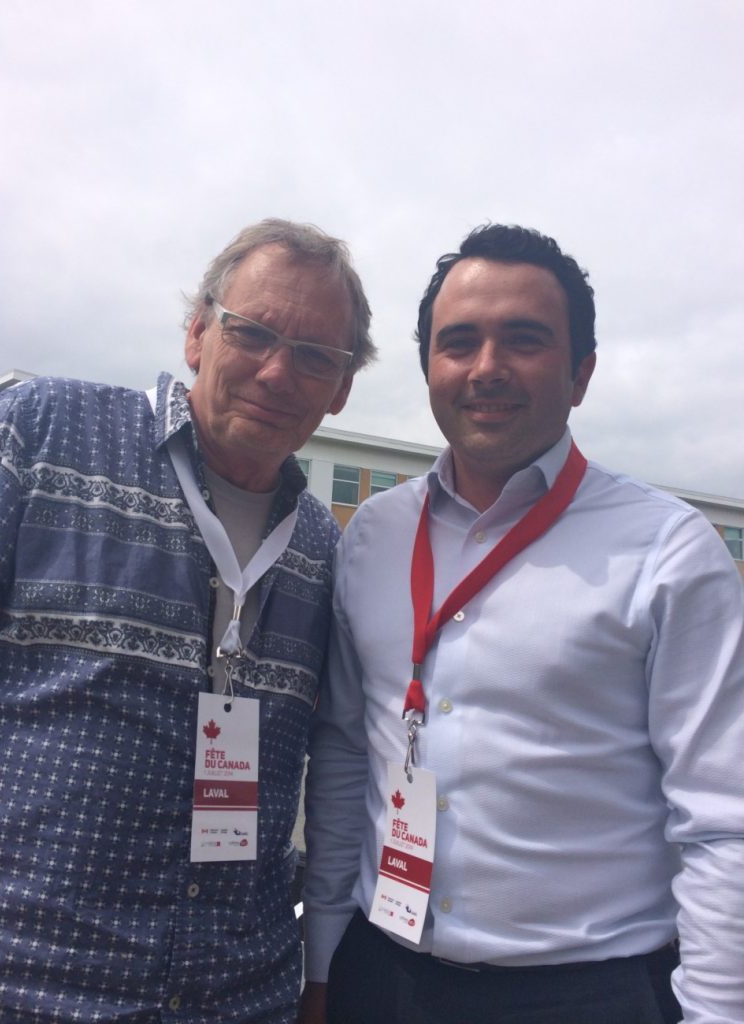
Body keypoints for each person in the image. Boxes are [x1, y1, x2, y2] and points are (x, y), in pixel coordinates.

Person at [300, 224, 744, 1024]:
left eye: (525, 340)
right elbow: (341, 753)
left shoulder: (668, 551)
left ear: (581, 374)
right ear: (430, 368)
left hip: (586, 993)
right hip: (379, 974)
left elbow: (723, 821)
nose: (487, 368)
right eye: (459, 342)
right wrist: (323, 957)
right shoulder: (372, 534)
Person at [0, 218, 375, 1023]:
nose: (275, 371)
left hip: (238, 998)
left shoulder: (327, 553)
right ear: (197, 332)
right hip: (24, 986)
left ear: (341, 389)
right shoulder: (42, 435)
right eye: (253, 332)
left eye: (313, 356)